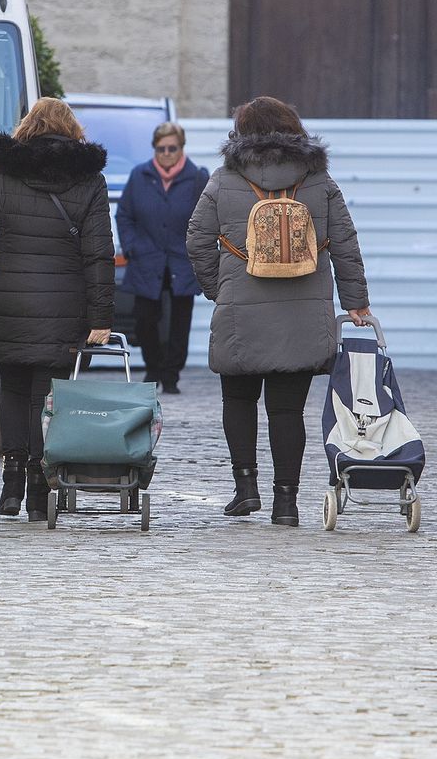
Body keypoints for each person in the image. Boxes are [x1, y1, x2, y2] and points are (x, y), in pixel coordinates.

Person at [185, 96, 371, 527]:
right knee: (287, 411)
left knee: (238, 398)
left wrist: (218, 288)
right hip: (302, 312)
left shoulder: (223, 179)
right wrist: (355, 301)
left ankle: (245, 488)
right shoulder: (318, 180)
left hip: (240, 308)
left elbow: (196, 238)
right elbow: (345, 242)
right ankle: (286, 503)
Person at [0, 97, 115, 522]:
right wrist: (101, 317)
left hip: (9, 296)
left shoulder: (3, 172)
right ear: (71, 129)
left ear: (27, 126)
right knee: (46, 396)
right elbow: (99, 255)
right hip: (64, 303)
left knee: (11, 388)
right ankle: (38, 487)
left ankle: (10, 484)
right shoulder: (89, 180)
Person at [115, 120, 208, 394]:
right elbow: (124, 215)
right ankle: (153, 367)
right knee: (144, 318)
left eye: (172, 148)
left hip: (182, 259)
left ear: (181, 148)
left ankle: (171, 376)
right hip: (146, 259)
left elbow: (206, 219)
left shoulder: (198, 178)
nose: (166, 153)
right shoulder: (139, 175)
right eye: (161, 148)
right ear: (154, 148)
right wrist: (131, 246)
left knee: (180, 322)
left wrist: (197, 249)